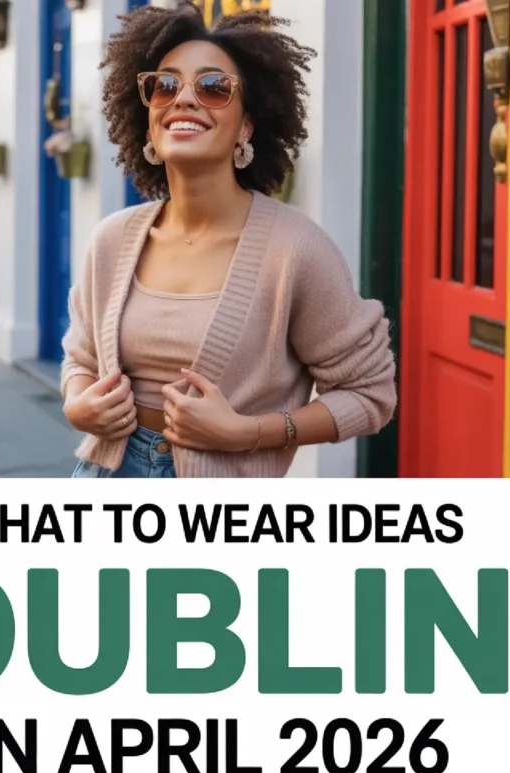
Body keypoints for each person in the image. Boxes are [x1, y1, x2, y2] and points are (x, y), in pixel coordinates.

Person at [62, 0, 396, 479]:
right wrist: (78, 405)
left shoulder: (295, 250)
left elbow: (369, 395)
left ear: (246, 125)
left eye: (214, 87)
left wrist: (248, 432)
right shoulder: (111, 240)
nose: (184, 98)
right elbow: (81, 358)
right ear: (149, 121)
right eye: (166, 85)